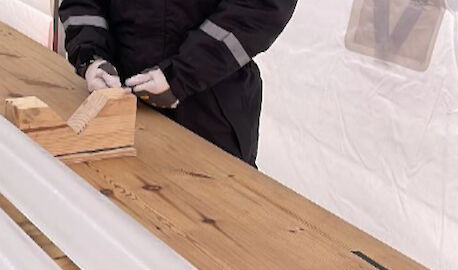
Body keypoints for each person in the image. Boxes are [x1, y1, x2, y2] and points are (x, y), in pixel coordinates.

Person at [59, 0, 297, 167]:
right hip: (119, 102)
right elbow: (82, 3)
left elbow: (262, 7)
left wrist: (182, 73)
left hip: (210, 111)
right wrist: (92, 56)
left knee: (211, 228)